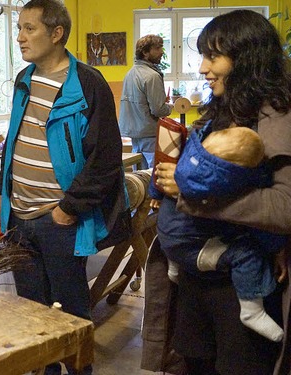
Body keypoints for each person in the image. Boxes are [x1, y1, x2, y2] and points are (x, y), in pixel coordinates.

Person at [145, 9, 291, 375]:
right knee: (193, 361)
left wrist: (192, 192)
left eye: (213, 56)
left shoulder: (277, 116)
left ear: (246, 59)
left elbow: (283, 207)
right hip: (196, 275)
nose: (203, 68)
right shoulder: (219, 111)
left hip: (241, 282)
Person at [0, 1, 131, 374]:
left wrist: (67, 210)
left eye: (29, 28)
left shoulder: (87, 83)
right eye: (18, 28)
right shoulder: (24, 79)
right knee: (32, 313)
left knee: (70, 313)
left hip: (59, 220)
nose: (19, 37)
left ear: (57, 34)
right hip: (19, 217)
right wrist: (4, 202)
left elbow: (104, 158)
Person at [150, 125, 286, 342]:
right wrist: (276, 245)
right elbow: (259, 221)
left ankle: (174, 267)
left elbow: (160, 168)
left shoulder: (192, 151)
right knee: (247, 253)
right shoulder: (228, 180)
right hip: (196, 249)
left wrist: (154, 192)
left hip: (167, 236)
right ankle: (251, 309)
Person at [119, 34, 173, 170]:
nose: (162, 52)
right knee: (154, 175)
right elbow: (158, 110)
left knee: (140, 176)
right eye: (158, 48)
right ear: (145, 52)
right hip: (149, 133)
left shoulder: (129, 73)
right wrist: (170, 107)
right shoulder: (152, 76)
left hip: (134, 133)